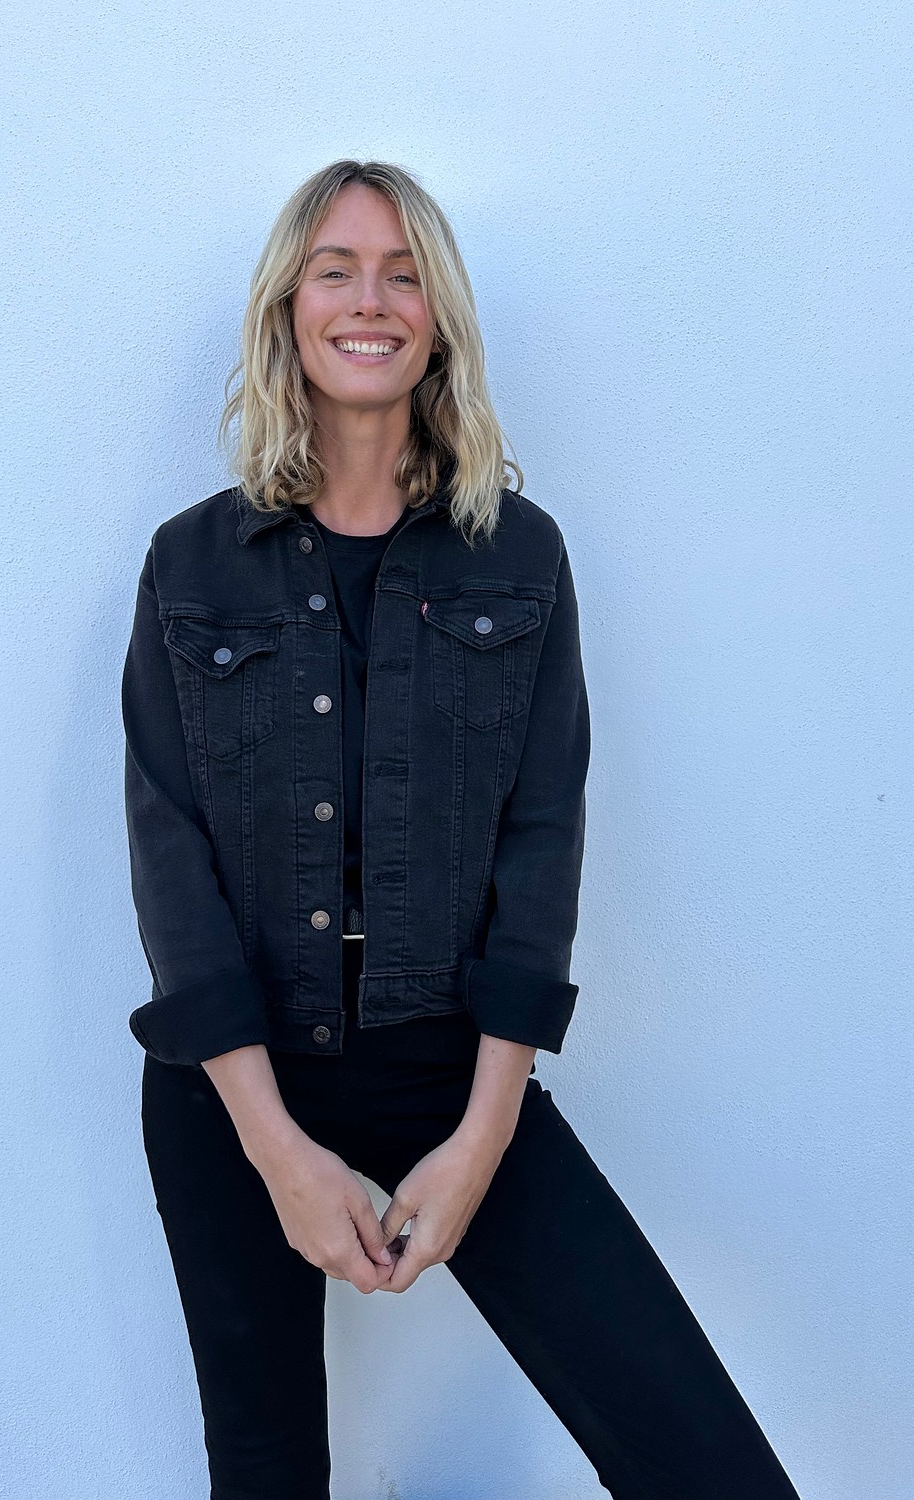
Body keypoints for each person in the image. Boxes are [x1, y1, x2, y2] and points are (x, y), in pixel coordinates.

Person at [121, 158, 802, 1500]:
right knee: (266, 1472)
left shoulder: (517, 556)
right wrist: (277, 1150)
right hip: (233, 1084)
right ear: (287, 308)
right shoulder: (189, 565)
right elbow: (170, 861)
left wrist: (485, 1135)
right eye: (335, 270)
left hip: (452, 1062)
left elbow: (540, 845)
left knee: (704, 1461)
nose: (369, 301)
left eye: (403, 273)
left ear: (438, 320)